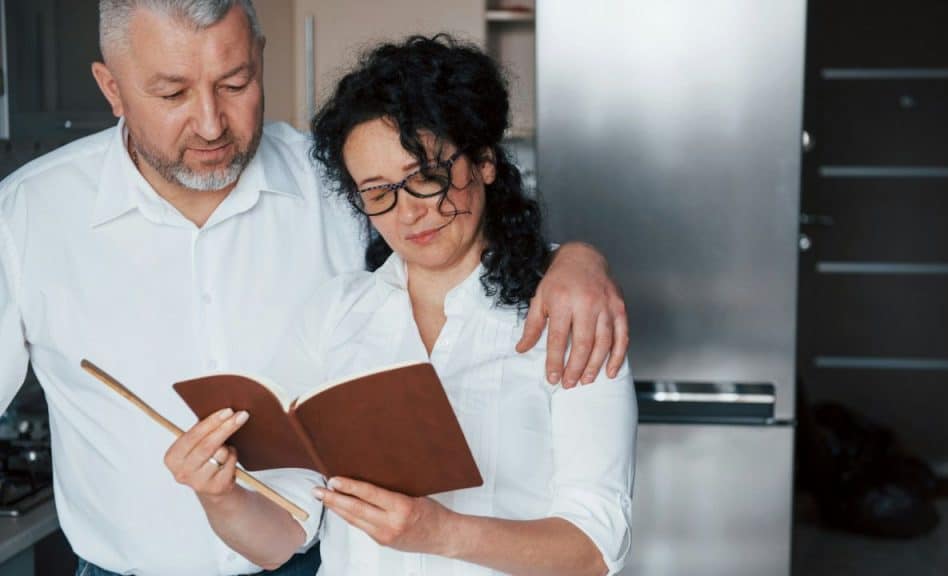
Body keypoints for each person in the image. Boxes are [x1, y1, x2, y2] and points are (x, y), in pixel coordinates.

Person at [0, 2, 629, 575]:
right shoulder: (28, 213)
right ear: (112, 88)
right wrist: (218, 495)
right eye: (172, 92)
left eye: (235, 83)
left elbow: (597, 543)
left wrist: (580, 261)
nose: (212, 123)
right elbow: (289, 518)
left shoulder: (329, 173)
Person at [166, 35, 637, 576]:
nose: (408, 213)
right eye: (377, 191)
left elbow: (596, 547)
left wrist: (441, 533)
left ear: (484, 160)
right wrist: (220, 496)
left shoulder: (570, 310)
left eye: (426, 178)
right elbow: (282, 537)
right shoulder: (336, 313)